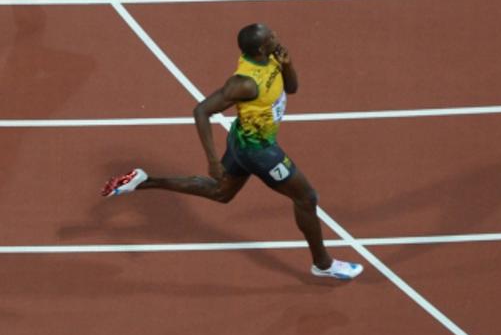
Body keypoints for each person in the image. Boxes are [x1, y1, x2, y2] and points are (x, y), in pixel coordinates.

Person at [101, 23, 364, 282]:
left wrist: (288, 64)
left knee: (221, 193)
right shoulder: (244, 83)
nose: (276, 36)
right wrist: (213, 161)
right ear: (260, 49)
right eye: (271, 37)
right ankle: (323, 264)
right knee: (306, 197)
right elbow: (201, 111)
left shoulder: (273, 57)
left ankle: (143, 181)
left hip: (243, 141)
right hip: (259, 151)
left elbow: (292, 88)